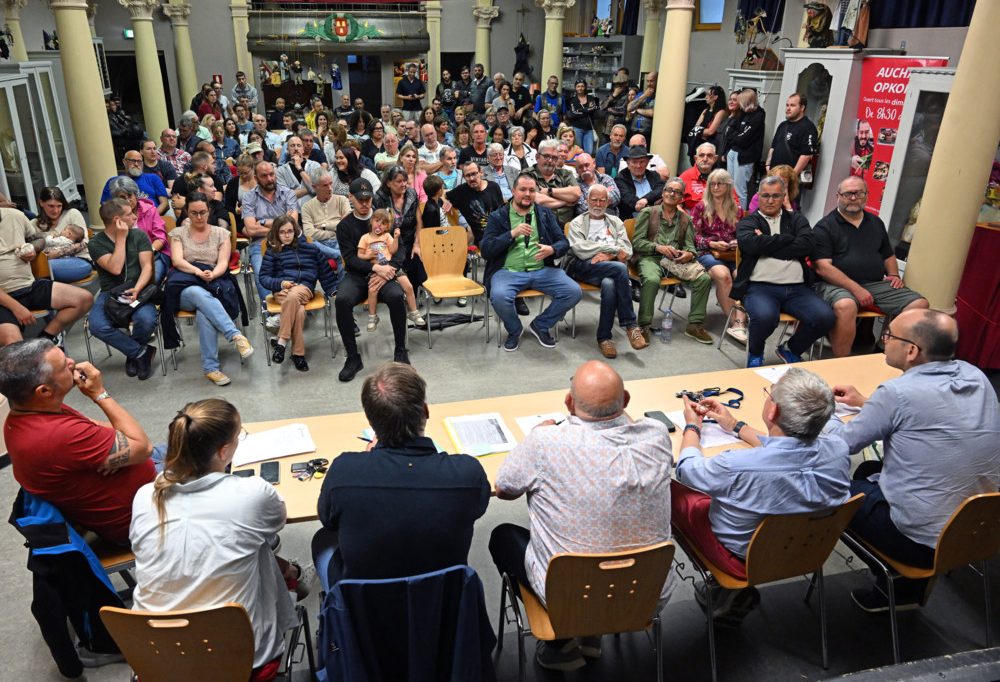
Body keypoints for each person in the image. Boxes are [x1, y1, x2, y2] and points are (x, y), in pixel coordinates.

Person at [489, 360, 673, 671]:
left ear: (568, 403)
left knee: (503, 536)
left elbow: (505, 488)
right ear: (626, 401)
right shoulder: (656, 434)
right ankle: (591, 636)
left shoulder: (545, 442)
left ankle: (561, 645)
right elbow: (621, 423)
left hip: (570, 597)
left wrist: (537, 436)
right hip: (647, 594)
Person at [833, 309, 1000, 611]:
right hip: (980, 529)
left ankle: (895, 590)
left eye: (890, 334)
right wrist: (870, 404)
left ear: (911, 350)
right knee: (872, 469)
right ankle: (906, 587)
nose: (885, 339)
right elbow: (932, 414)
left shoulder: (896, 392)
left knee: (834, 492)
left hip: (920, 543)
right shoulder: (976, 376)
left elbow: (840, 445)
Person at [130, 398, 296, 677]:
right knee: (259, 547)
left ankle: (294, 575)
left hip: (157, 660)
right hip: (241, 661)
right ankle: (295, 576)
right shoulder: (252, 493)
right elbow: (276, 521)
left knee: (247, 546)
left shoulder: (145, 496)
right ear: (224, 451)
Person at [674, 367, 851, 621]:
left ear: (773, 410)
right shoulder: (838, 451)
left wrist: (692, 426)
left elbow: (686, 469)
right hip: (809, 549)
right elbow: (786, 451)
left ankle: (722, 588)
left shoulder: (736, 466)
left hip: (743, 557)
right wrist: (736, 426)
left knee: (674, 492)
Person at [315, 362, 490, 584]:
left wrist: (366, 459)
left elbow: (328, 520)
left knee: (322, 541)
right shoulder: (467, 474)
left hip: (366, 614)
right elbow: (476, 508)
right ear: (425, 412)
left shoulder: (343, 472)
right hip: (444, 610)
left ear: (370, 420)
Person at [0, 339, 154, 545]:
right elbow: (144, 447)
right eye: (64, 365)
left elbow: (102, 430)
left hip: (139, 490)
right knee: (206, 450)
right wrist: (99, 394)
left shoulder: (29, 413)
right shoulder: (57, 434)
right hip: (142, 521)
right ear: (44, 391)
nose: (73, 363)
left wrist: (112, 448)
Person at [813, 176, 928, 357]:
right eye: (848, 194)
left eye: (858, 193)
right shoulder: (825, 227)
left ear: (866, 196)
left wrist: (894, 275)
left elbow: (887, 254)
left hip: (873, 284)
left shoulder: (875, 222)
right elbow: (822, 268)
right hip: (835, 285)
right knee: (846, 305)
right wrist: (856, 289)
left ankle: (885, 350)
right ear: (838, 196)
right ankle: (839, 362)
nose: (853, 198)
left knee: (919, 304)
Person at [732, 176, 835, 367]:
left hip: (797, 289)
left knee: (824, 317)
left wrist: (767, 242)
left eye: (775, 196)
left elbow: (807, 245)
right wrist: (788, 240)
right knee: (764, 318)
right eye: (765, 196)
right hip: (759, 287)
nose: (770, 201)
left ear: (783, 197)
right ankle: (755, 352)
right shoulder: (748, 222)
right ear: (759, 196)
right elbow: (750, 244)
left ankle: (791, 349)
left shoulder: (796, 219)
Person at [481, 173, 582, 351]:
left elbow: (563, 242)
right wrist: (511, 234)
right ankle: (514, 330)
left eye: (532, 190)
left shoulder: (544, 214)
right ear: (513, 191)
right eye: (523, 190)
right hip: (508, 271)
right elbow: (487, 250)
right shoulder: (499, 216)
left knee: (573, 291)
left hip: (542, 269)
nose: (527, 194)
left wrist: (552, 249)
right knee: (499, 297)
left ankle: (541, 325)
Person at [166, 192, 254, 386]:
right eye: (194, 213)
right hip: (185, 284)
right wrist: (197, 272)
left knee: (204, 312)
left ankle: (211, 368)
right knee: (197, 293)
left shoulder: (221, 233)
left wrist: (213, 274)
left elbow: (223, 262)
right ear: (186, 212)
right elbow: (177, 261)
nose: (199, 217)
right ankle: (235, 335)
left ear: (209, 211)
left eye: (203, 212)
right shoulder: (178, 233)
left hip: (212, 281)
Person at [335, 179, 411, 382]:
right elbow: (350, 259)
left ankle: (400, 351)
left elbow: (399, 249)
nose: (365, 203)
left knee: (396, 295)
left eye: (368, 199)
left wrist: (391, 269)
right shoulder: (344, 226)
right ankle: (353, 358)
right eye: (360, 200)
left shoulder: (383, 217)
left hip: (385, 273)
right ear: (350, 198)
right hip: (358, 275)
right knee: (341, 300)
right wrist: (375, 267)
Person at [566, 185, 647, 358]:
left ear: (608, 202)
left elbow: (627, 249)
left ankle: (604, 338)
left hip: (609, 266)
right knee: (619, 269)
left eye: (602, 200)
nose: (597, 203)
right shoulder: (577, 223)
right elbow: (581, 250)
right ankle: (630, 324)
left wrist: (610, 255)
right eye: (594, 199)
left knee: (610, 284)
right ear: (587, 201)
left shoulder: (616, 222)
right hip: (582, 266)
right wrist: (614, 250)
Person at [632, 178, 714, 344]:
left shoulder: (686, 219)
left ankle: (694, 325)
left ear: (682, 197)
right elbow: (637, 242)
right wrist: (657, 247)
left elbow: (691, 247)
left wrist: (689, 255)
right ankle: (644, 325)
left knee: (704, 279)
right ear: (662, 193)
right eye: (668, 190)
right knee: (652, 279)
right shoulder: (648, 213)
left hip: (675, 261)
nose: (671, 193)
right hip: (651, 257)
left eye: (676, 192)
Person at [86, 198, 159, 379]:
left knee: (146, 319)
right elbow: (115, 268)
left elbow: (148, 267)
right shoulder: (96, 243)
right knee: (97, 326)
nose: (134, 217)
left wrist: (137, 289)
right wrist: (121, 238)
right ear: (117, 220)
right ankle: (140, 352)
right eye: (129, 214)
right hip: (111, 293)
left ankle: (132, 353)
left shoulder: (140, 236)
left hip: (139, 289)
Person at [0, 207, 93, 348]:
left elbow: (39, 239)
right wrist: (17, 308)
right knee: (14, 346)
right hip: (3, 299)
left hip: (28, 285)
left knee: (84, 299)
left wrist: (34, 248)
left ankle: (45, 340)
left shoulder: (14, 215)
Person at [259, 214, 338, 370]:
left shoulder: (311, 249)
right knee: (299, 311)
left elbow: (325, 271)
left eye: (290, 231)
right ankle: (298, 355)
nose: (287, 235)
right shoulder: (272, 252)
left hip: (304, 288)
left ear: (295, 231)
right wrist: (280, 283)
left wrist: (333, 290)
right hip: (282, 291)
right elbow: (264, 278)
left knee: (295, 295)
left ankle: (282, 341)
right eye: (282, 232)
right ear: (276, 233)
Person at [691, 168, 747, 342]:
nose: (715, 187)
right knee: (723, 276)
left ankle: (740, 320)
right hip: (707, 251)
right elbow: (693, 236)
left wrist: (738, 241)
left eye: (719, 184)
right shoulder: (701, 207)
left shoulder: (736, 209)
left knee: (741, 275)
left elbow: (742, 233)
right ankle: (735, 323)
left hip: (730, 253)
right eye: (712, 184)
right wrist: (711, 243)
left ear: (727, 186)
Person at [242, 160, 300, 318]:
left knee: (298, 268)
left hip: (288, 243)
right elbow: (250, 229)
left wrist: (262, 222)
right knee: (262, 273)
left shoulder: (287, 193)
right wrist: (280, 225)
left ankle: (294, 309)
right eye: (264, 176)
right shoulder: (249, 197)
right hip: (260, 245)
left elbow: (292, 224)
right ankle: (273, 315)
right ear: (256, 177)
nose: (269, 179)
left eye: (272, 174)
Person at [358, 208, 425, 332]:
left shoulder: (386, 236)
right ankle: (372, 317)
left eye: (383, 223)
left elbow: (393, 251)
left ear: (387, 227)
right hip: (376, 269)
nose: (379, 225)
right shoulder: (365, 238)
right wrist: (368, 256)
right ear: (372, 221)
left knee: (408, 286)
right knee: (372, 289)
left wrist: (395, 238)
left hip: (391, 267)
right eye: (377, 221)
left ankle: (413, 312)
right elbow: (360, 255)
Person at [373, 164, 425, 291]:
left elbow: (419, 222)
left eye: (405, 181)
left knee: (417, 261)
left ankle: (416, 295)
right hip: (390, 244)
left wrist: (417, 244)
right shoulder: (379, 198)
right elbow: (378, 229)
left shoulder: (411, 194)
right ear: (388, 183)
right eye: (399, 181)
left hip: (411, 240)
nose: (403, 184)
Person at [30, 186, 93, 283]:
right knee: (37, 269)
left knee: (41, 269)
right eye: (51, 206)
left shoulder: (72, 214)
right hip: (46, 263)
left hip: (79, 260)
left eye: (59, 206)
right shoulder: (34, 224)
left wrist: (57, 253)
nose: (55, 210)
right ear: (41, 203)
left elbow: (84, 242)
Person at [301, 166, 351, 271]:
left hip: (339, 240)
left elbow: (347, 225)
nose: (330, 188)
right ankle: (337, 255)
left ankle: (340, 287)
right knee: (308, 241)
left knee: (347, 247)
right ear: (315, 187)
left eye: (331, 183)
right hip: (319, 244)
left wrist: (323, 226)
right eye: (325, 185)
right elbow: (309, 233)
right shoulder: (307, 206)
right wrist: (335, 231)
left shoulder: (342, 200)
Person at [525, 138, 581, 227]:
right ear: (537, 157)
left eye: (554, 157)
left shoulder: (566, 174)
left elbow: (576, 194)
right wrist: (565, 202)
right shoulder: (528, 175)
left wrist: (549, 191)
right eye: (546, 156)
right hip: (539, 228)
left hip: (566, 228)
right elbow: (538, 200)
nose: (550, 160)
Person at [725, 89, 766, 208]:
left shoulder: (758, 116)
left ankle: (740, 216)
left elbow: (744, 139)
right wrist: (735, 137)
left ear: (748, 102)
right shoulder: (743, 113)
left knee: (740, 190)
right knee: (730, 187)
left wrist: (735, 137)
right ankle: (730, 212)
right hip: (733, 152)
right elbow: (730, 132)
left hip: (745, 157)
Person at [447, 160, 505, 246]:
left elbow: (502, 213)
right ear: (463, 177)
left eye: (474, 174)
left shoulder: (493, 187)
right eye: (468, 175)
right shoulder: (461, 191)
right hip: (482, 240)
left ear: (481, 172)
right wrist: (445, 200)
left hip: (499, 234)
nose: (471, 178)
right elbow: (441, 194)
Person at [766, 93, 819, 179]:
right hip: (773, 174)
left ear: (802, 107)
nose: (788, 108)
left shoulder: (808, 127)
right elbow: (773, 148)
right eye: (787, 105)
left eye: (792, 105)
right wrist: (768, 166)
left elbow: (806, 155)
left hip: (789, 178)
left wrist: (792, 177)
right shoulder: (782, 125)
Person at [101, 150, 169, 215]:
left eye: (139, 161)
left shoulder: (153, 178)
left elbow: (164, 203)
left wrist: (151, 217)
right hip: (124, 220)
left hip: (151, 219)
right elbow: (106, 206)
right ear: (124, 162)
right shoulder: (114, 182)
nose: (136, 164)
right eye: (133, 161)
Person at [615, 145, 665, 220]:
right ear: (628, 164)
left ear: (647, 163)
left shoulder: (654, 175)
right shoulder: (620, 179)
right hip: (631, 221)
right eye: (634, 162)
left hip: (656, 219)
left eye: (642, 162)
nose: (638, 166)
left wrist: (646, 199)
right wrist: (653, 202)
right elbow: (629, 200)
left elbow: (662, 189)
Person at [687, 85, 728, 166]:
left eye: (708, 95)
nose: (706, 97)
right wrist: (701, 131)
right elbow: (695, 128)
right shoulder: (705, 110)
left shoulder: (721, 112)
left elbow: (710, 131)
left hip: (710, 144)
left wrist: (700, 131)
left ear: (715, 97)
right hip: (698, 141)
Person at [680, 142, 720, 211]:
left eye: (709, 155)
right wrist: (687, 220)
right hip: (691, 218)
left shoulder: (722, 178)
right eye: (701, 155)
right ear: (696, 158)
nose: (705, 159)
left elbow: (735, 203)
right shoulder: (685, 177)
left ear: (715, 159)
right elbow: (676, 204)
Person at [564, 80, 599, 155]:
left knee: (589, 152)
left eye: (582, 86)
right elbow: (573, 114)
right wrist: (586, 110)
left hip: (589, 129)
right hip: (577, 128)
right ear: (575, 88)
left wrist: (580, 110)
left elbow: (592, 109)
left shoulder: (591, 98)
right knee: (577, 150)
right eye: (578, 86)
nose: (580, 88)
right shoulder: (572, 100)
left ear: (585, 87)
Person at [600, 75, 631, 147]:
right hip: (607, 130)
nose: (617, 86)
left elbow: (623, 110)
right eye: (616, 84)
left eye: (620, 84)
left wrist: (609, 109)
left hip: (619, 130)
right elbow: (602, 106)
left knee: (620, 152)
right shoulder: (612, 94)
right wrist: (614, 95)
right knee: (602, 150)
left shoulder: (628, 95)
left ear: (625, 84)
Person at [627, 71, 657, 139]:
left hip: (647, 133)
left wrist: (637, 110)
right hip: (634, 131)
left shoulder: (659, 95)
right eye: (648, 81)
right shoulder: (642, 94)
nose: (649, 84)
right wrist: (644, 96)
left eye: (652, 81)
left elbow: (653, 113)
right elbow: (629, 108)